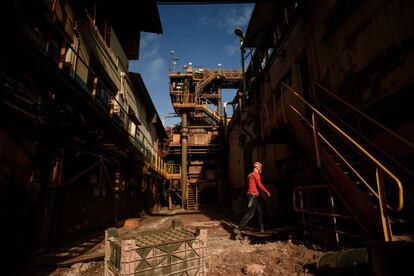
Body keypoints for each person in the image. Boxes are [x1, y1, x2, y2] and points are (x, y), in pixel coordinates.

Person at [234, 162, 271, 235]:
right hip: (253, 195)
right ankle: (239, 228)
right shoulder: (255, 174)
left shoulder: (249, 175)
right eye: (260, 168)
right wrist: (266, 191)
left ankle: (262, 228)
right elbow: (259, 185)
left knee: (260, 211)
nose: (260, 169)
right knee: (250, 213)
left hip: (253, 195)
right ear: (258, 168)